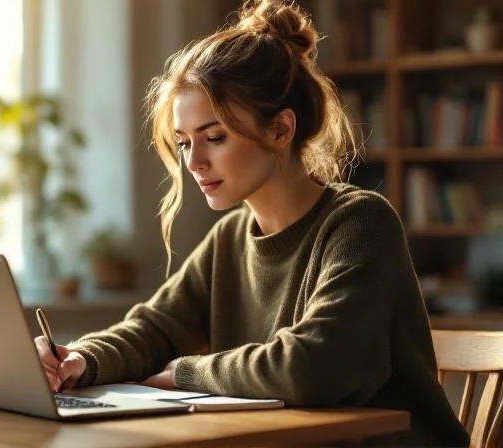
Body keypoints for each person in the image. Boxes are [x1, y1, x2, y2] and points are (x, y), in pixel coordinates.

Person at [34, 0, 468, 445]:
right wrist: (81, 359)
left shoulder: (360, 223)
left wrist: (185, 372)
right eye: (184, 143)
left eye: (214, 137)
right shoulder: (228, 238)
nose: (194, 162)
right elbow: (155, 328)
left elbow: (312, 367)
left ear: (280, 130)